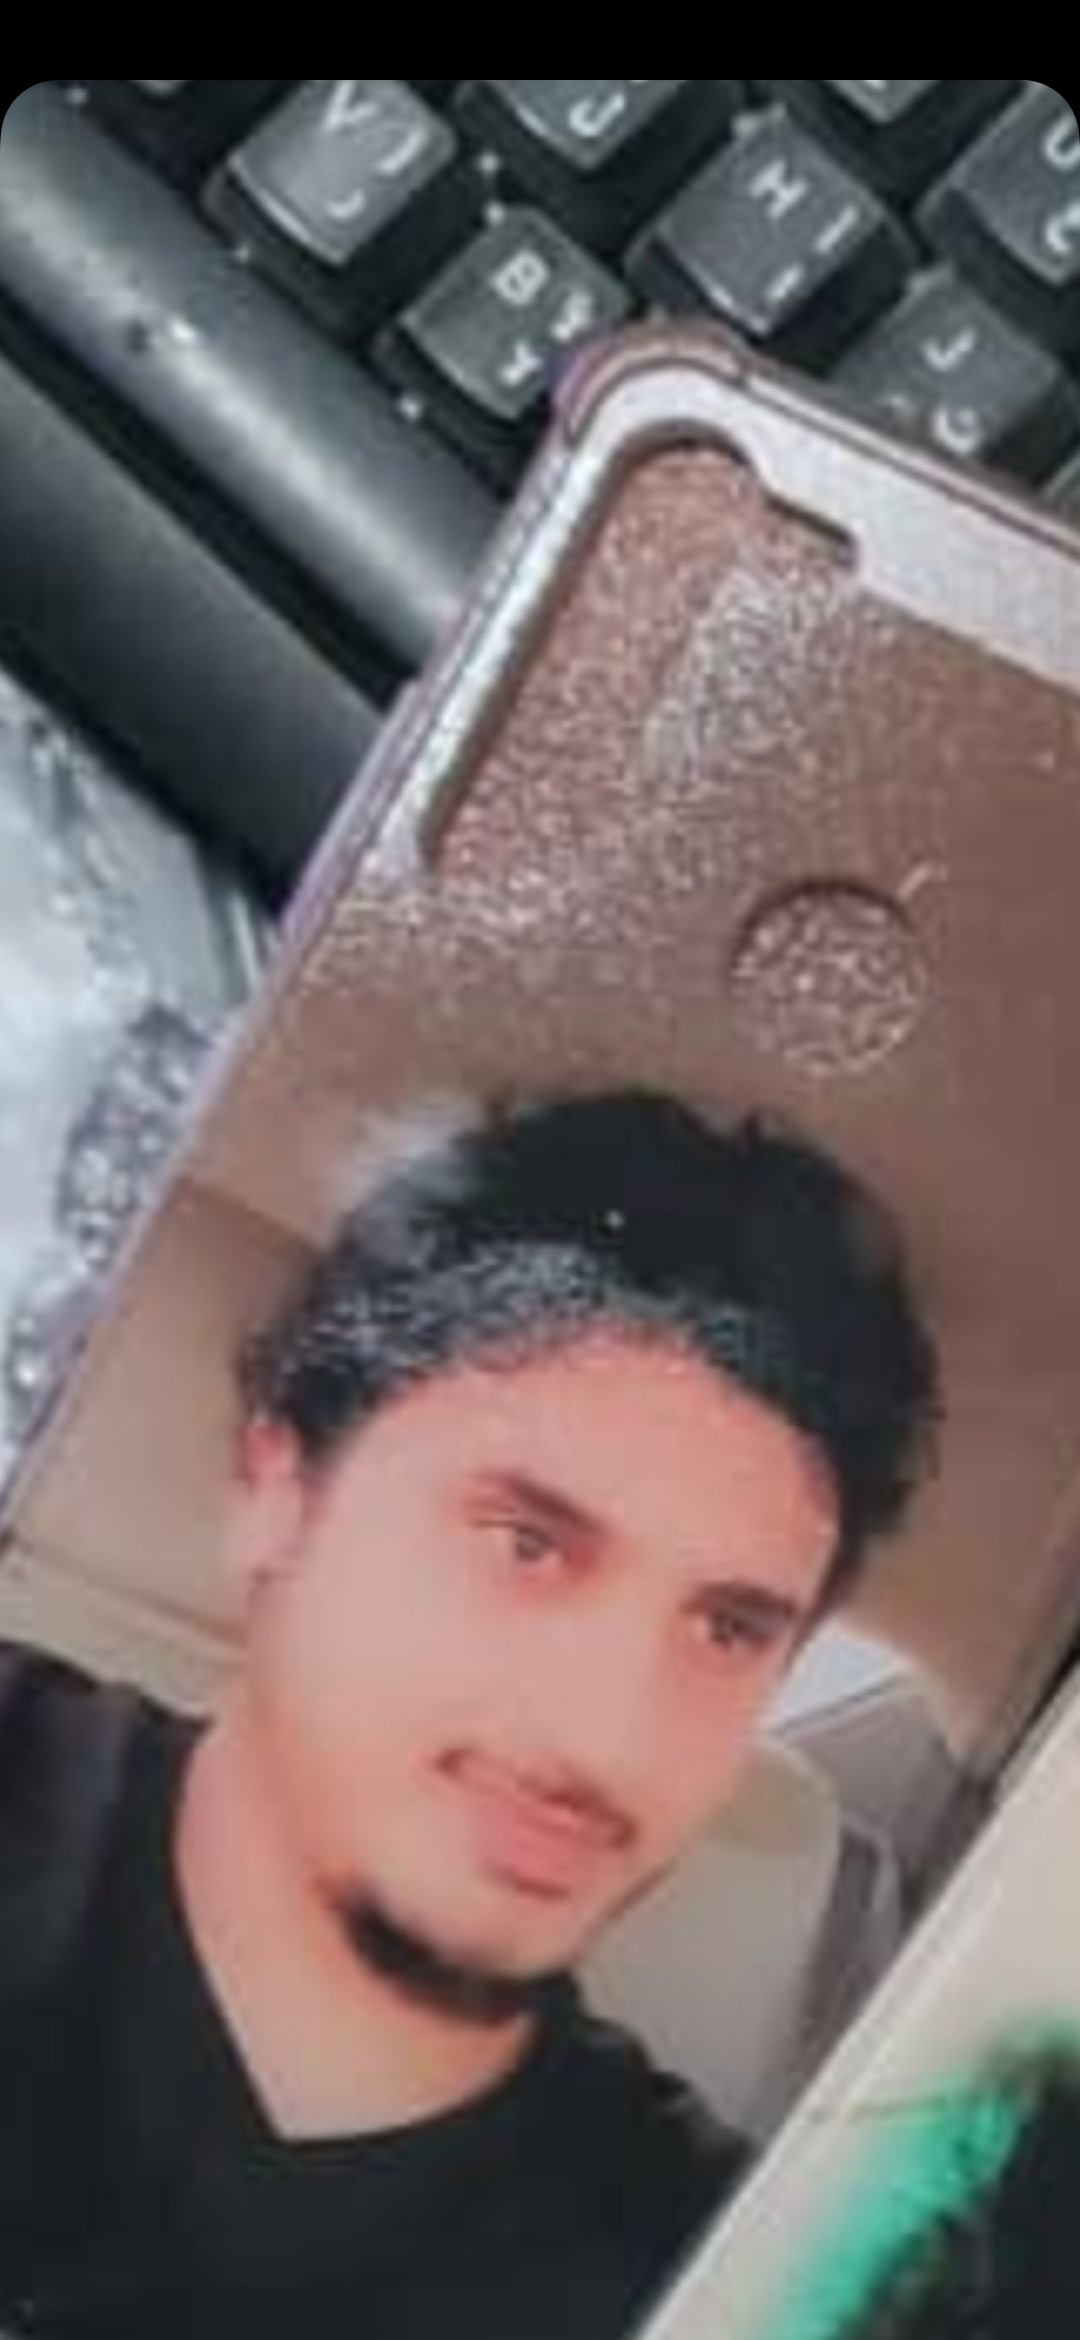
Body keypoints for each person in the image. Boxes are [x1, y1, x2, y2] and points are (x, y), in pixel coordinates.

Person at [0, 1087, 939, 2340]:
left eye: (725, 1630)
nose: (607, 1733)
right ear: (278, 1489)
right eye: (526, 1544)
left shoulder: (723, 2286)